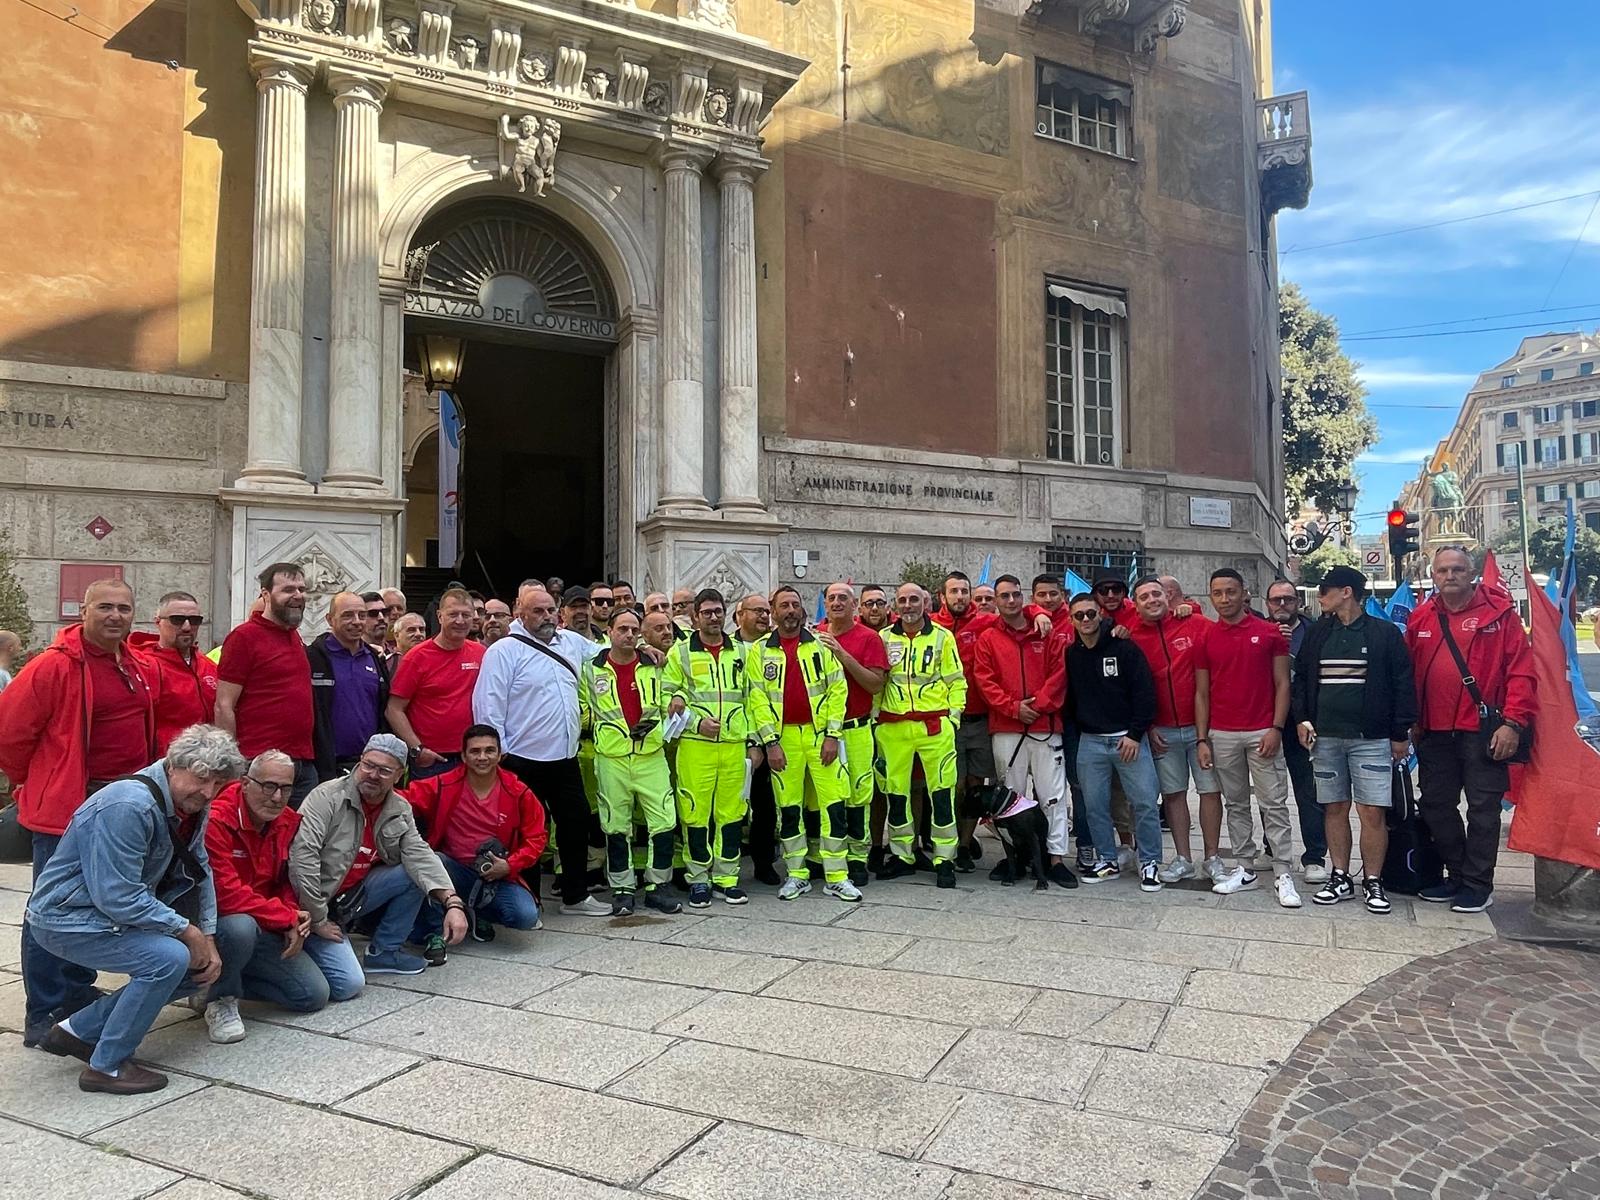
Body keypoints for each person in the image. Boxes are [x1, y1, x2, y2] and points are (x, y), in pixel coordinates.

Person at [26, 725, 245, 1094]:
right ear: (175, 765)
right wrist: (188, 932)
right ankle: (106, 1066)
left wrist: (207, 934)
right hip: (66, 917)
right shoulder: (129, 805)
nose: (208, 793)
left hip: (106, 912)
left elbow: (200, 866)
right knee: (169, 958)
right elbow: (117, 896)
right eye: (202, 779)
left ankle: (74, 1032)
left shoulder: (188, 802)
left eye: (218, 784)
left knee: (201, 966)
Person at [0, 578, 155, 1048]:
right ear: (82, 611)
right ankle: (44, 1009)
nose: (115, 616)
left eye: (124, 609)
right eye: (105, 607)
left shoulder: (133, 663)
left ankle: (76, 988)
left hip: (120, 804)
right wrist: (39, 780)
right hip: (69, 807)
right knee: (49, 908)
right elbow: (10, 734)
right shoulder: (54, 666)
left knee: (93, 904)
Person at [1404, 546, 1536, 913]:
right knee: (1435, 805)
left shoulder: (1500, 615)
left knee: (1482, 810)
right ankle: (1459, 876)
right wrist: (1412, 720)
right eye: (1443, 570)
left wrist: (1512, 723)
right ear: (1434, 575)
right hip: (1434, 732)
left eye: (1458, 569)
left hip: (1484, 730)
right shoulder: (1421, 617)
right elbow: (1410, 673)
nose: (1450, 576)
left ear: (1472, 572)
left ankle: (1478, 884)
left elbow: (1521, 672)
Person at [474, 584, 610, 916]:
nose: (546, 616)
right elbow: (487, 704)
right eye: (538, 611)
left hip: (565, 758)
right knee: (529, 833)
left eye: (550, 609)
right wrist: (497, 754)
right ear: (519, 612)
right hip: (522, 761)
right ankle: (529, 898)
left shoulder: (572, 642)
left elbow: (609, 654)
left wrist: (646, 650)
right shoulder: (504, 651)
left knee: (575, 823)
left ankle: (576, 897)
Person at [289, 734, 468, 981]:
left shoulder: (400, 808)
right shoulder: (326, 796)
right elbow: (302, 858)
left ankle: (384, 952)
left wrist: (452, 903)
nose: (373, 775)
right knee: (349, 983)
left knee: (414, 870)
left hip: (352, 897)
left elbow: (420, 854)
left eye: (384, 770)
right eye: (369, 765)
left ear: (399, 775)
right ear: (360, 761)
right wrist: (318, 919)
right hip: (312, 903)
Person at [1293, 566, 1416, 915]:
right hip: (1326, 737)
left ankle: (1373, 880)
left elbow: (1402, 684)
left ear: (1346, 592)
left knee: (1372, 811)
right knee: (1333, 808)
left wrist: (1399, 733)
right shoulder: (1318, 632)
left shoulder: (1384, 633)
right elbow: (1301, 679)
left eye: (1324, 590)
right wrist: (1302, 718)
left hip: (1372, 738)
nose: (1320, 597)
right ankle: (1341, 874)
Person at [206, 751, 338, 1037]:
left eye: (286, 788)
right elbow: (225, 893)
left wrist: (294, 916)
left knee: (312, 995)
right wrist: (285, 916)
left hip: (267, 921)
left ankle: (213, 983)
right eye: (268, 786)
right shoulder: (217, 819)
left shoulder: (288, 821)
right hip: (221, 924)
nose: (277, 797)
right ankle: (220, 999)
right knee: (240, 926)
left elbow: (288, 879)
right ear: (244, 783)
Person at [746, 586, 859, 903]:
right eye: (784, 605)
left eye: (796, 604)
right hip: (783, 741)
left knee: (834, 806)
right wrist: (770, 743)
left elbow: (838, 691)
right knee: (790, 810)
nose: (791, 610)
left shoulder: (821, 647)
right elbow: (757, 699)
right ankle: (797, 874)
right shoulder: (759, 651)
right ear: (774, 611)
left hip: (820, 736)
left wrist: (832, 735)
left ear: (803, 610)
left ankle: (837, 876)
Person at [1195, 569, 1300, 907]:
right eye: (1218, 593)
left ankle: (1283, 871)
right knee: (1235, 803)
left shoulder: (1270, 634)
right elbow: (1201, 693)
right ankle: (1245, 866)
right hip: (1222, 733)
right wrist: (1202, 738)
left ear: (1245, 594)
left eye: (1231, 592)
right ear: (1211, 596)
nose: (1224, 599)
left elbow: (1283, 684)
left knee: (1273, 803)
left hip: (1262, 730)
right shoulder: (1207, 638)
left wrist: (1276, 727)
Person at [405, 724, 547, 960]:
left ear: (500, 755)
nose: (482, 757)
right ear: (463, 756)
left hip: (496, 876)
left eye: (489, 750)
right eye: (475, 751)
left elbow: (537, 837)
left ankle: (475, 912)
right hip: (452, 869)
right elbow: (405, 797)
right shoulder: (443, 784)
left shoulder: (518, 791)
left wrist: (510, 865)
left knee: (525, 916)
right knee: (433, 861)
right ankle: (433, 930)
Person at [972, 575, 1074, 885]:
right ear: (997, 601)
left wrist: (1038, 706)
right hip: (1006, 728)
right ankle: (1014, 857)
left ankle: (1055, 858)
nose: (1011, 601)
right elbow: (984, 680)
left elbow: (1059, 673)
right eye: (1004, 596)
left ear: (1023, 598)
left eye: (1016, 595)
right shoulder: (988, 638)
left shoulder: (1048, 633)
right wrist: (1014, 708)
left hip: (1045, 726)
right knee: (1008, 799)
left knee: (1052, 797)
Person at [579, 613, 682, 916]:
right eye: (622, 629)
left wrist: (676, 697)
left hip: (650, 754)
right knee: (615, 824)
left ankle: (657, 886)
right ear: (608, 632)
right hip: (612, 757)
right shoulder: (590, 670)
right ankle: (622, 888)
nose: (628, 634)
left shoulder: (655, 665)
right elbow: (582, 710)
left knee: (664, 820)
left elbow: (673, 691)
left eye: (634, 630)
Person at [1062, 593, 1164, 889]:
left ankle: (1149, 862)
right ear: (1071, 619)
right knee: (1094, 806)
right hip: (1091, 742)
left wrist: (1134, 734)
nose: (1085, 620)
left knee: (1144, 802)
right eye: (1079, 615)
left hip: (1127, 740)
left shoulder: (1125, 648)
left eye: (1090, 614)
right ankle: (1107, 858)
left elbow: (1145, 694)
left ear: (1101, 615)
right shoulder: (1072, 654)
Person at [664, 588, 758, 908]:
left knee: (731, 814)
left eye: (718, 611)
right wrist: (695, 723)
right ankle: (699, 879)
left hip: (733, 744)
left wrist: (756, 741)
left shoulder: (742, 652)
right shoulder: (681, 653)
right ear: (695, 616)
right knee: (695, 813)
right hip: (696, 745)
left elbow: (754, 698)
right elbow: (667, 697)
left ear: (726, 613)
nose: (713, 617)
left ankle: (727, 879)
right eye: (707, 612)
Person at [1125, 576, 1221, 883]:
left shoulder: (1196, 624)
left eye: (1157, 594)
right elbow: (1134, 690)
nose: (1152, 600)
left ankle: (1213, 857)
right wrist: (1148, 726)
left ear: (1168, 598)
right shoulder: (1132, 638)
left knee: (1209, 792)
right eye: (1144, 597)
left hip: (1200, 729)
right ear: (1136, 604)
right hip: (1162, 731)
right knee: (1174, 795)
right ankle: (1183, 858)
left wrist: (1191, 608)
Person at [876, 582, 966, 887]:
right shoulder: (884, 637)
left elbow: (956, 681)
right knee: (896, 795)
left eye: (914, 599)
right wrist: (877, 721)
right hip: (893, 727)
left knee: (941, 795)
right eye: (902, 600)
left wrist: (953, 719)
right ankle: (903, 855)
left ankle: (944, 859)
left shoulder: (943, 637)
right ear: (895, 605)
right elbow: (878, 682)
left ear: (925, 603)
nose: (908, 605)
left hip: (934, 726)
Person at [215, 563, 317, 805]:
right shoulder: (243, 638)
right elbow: (223, 705)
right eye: (288, 589)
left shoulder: (293, 636)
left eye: (302, 589)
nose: (298, 596)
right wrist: (232, 765)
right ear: (265, 594)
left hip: (301, 764)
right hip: (259, 766)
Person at [817, 581, 890, 887]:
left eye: (843, 598)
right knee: (827, 798)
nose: (836, 602)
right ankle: (829, 857)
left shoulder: (868, 638)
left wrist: (844, 655)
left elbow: (875, 684)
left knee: (859, 796)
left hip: (857, 728)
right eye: (831, 598)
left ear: (855, 606)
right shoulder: (813, 635)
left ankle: (858, 858)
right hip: (822, 731)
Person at [932, 571, 1003, 874]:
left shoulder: (986, 623)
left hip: (981, 720)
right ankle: (945, 841)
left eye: (964, 591)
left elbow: (1019, 613)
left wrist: (1039, 613)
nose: (959, 596)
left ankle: (964, 842)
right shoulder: (932, 625)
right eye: (954, 591)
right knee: (954, 785)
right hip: (950, 721)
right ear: (942, 596)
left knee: (976, 785)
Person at [387, 587, 485, 781]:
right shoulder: (417, 657)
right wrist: (418, 749)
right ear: (440, 616)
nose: (460, 620)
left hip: (472, 757)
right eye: (453, 614)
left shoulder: (481, 653)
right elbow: (393, 710)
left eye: (466, 615)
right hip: (432, 760)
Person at [1266, 579, 1327, 884]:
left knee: (1309, 792)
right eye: (1275, 600)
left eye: (1287, 600)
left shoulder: (1316, 632)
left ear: (1298, 603)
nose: (1281, 606)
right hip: (1267, 724)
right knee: (1270, 793)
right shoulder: (1258, 631)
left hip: (1304, 724)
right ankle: (1271, 849)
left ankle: (1314, 856)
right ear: (1267, 604)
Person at [308, 592, 391, 782]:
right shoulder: (313, 658)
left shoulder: (375, 659)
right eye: (347, 615)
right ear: (330, 619)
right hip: (326, 767)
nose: (356, 621)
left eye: (362, 615)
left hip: (369, 765)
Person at [129, 591, 219, 755]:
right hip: (162, 764)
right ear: (158, 622)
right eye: (177, 620)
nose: (187, 627)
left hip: (205, 762)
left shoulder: (209, 666)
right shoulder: (142, 666)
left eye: (194, 621)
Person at [732, 593, 780, 886]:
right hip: (732, 739)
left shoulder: (774, 647)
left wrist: (761, 741)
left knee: (765, 805)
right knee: (729, 806)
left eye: (766, 611)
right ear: (740, 615)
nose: (764, 616)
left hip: (770, 738)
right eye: (757, 611)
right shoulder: (726, 647)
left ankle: (764, 863)